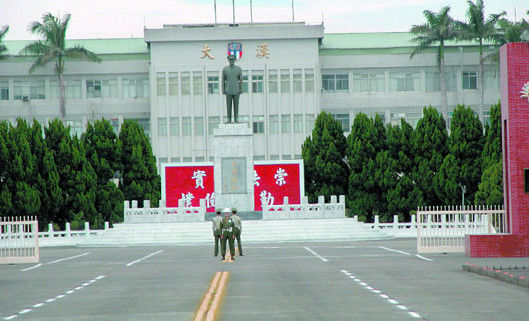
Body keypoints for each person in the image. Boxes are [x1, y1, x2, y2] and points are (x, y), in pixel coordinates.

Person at [221, 54, 243, 123]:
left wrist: (241, 88)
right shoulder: (225, 69)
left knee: (236, 105)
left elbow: (241, 80)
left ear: (234, 60)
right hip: (228, 90)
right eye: (230, 59)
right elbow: (223, 80)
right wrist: (223, 89)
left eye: (232, 59)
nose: (231, 61)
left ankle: (236, 118)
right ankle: (229, 118)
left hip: (236, 90)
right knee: (228, 105)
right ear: (228, 60)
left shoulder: (238, 69)